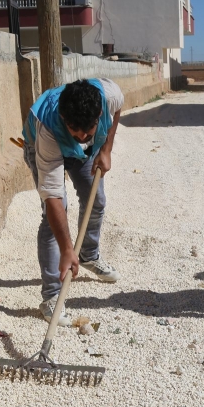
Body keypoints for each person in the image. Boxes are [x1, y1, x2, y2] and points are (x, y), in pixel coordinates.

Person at [22, 78, 123, 326]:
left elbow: (118, 108)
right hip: (44, 147)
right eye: (74, 131)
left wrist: (106, 149)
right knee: (53, 217)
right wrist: (67, 248)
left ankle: (88, 255)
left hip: (83, 154)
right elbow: (53, 196)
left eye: (87, 132)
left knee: (95, 199)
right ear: (65, 119)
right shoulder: (48, 129)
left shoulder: (109, 95)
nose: (80, 136)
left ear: (99, 114)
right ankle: (51, 296)